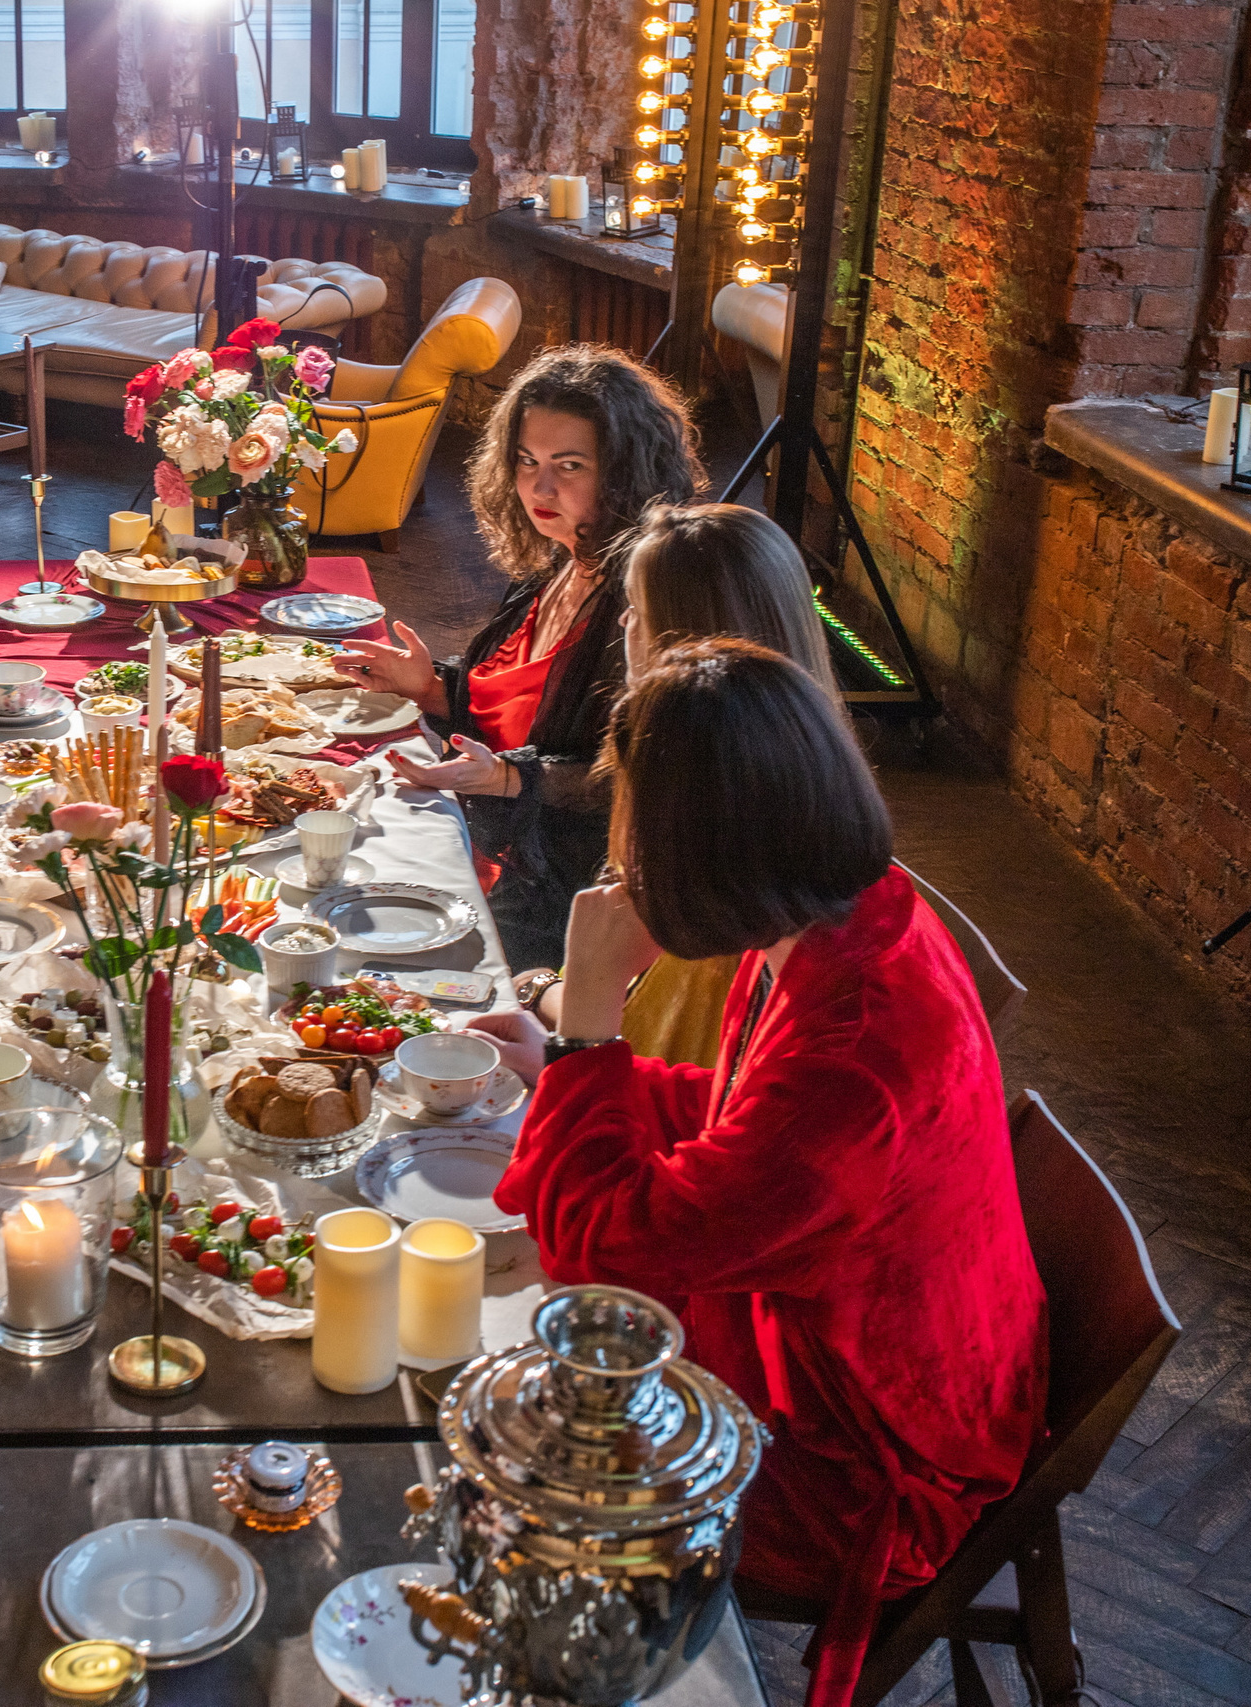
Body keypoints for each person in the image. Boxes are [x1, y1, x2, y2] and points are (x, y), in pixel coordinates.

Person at [473, 639, 1047, 1707]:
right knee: (482, 1321)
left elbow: (604, 1249)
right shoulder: (849, 913)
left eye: (635, 824)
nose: (623, 853)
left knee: (497, 1420)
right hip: (851, 1346)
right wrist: (578, 1073)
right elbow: (749, 1135)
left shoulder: (854, 1047)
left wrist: (591, 1030)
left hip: (855, 1459)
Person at [332, 344, 703, 970]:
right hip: (493, 836)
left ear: (626, 470)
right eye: (527, 461)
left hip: (559, 891)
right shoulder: (560, 563)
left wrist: (508, 778)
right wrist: (433, 691)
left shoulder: (644, 599)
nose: (540, 485)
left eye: (570, 465)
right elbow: (515, 711)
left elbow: (641, 779)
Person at [519, 502, 842, 1067]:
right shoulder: (807, 792)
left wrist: (545, 1003)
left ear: (687, 644)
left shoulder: (721, 860)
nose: (622, 624)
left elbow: (657, 1060)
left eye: (637, 610)